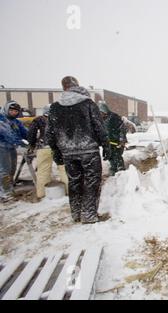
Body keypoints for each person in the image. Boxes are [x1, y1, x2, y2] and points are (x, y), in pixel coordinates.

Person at [46, 76, 111, 224]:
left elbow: (49, 133)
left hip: (68, 152)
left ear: (64, 88)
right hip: (88, 150)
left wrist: (56, 150)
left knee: (74, 182)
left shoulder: (55, 107)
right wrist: (106, 145)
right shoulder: (88, 104)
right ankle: (88, 215)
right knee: (92, 181)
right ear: (77, 86)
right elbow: (99, 127)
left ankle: (76, 213)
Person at [27, 105, 69, 199]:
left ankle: (41, 194)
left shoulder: (39, 120)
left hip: (44, 148)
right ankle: (68, 191)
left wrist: (32, 144)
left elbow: (31, 133)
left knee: (43, 171)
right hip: (60, 148)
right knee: (64, 169)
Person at [0, 101, 28, 202]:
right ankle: (5, 193)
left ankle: (9, 186)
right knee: (4, 170)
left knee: (12, 169)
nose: (14, 113)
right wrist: (19, 143)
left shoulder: (15, 121)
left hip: (11, 148)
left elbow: (24, 132)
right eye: (11, 110)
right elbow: (8, 134)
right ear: (7, 109)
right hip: (2, 148)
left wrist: (34, 138)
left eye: (16, 111)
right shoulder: (1, 119)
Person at [97, 101, 127, 175]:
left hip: (117, 142)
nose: (101, 114)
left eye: (101, 112)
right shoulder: (100, 119)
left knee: (117, 156)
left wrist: (121, 139)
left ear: (105, 110)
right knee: (110, 156)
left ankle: (121, 171)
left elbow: (122, 128)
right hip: (108, 142)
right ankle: (113, 170)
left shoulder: (114, 117)